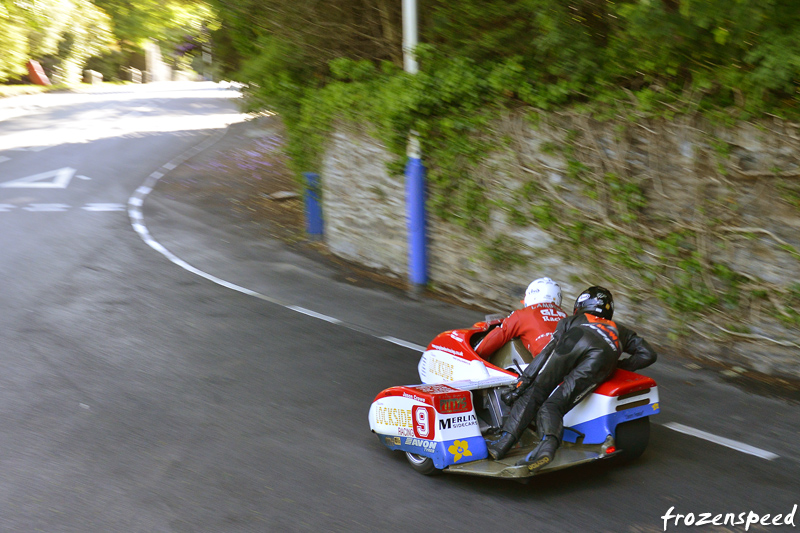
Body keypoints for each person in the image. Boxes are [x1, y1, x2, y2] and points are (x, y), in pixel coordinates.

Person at [486, 286, 658, 471]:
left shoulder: (571, 320)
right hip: (601, 356)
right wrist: (619, 366)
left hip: (574, 341)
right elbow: (648, 354)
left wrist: (524, 383)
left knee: (536, 391)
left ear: (581, 304)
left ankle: (502, 445)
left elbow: (548, 352)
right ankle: (547, 446)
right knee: (553, 406)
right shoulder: (620, 329)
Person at [476, 277, 567, 360]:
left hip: (549, 367)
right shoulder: (566, 316)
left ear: (532, 295)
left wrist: (477, 355)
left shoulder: (523, 314)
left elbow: (500, 334)